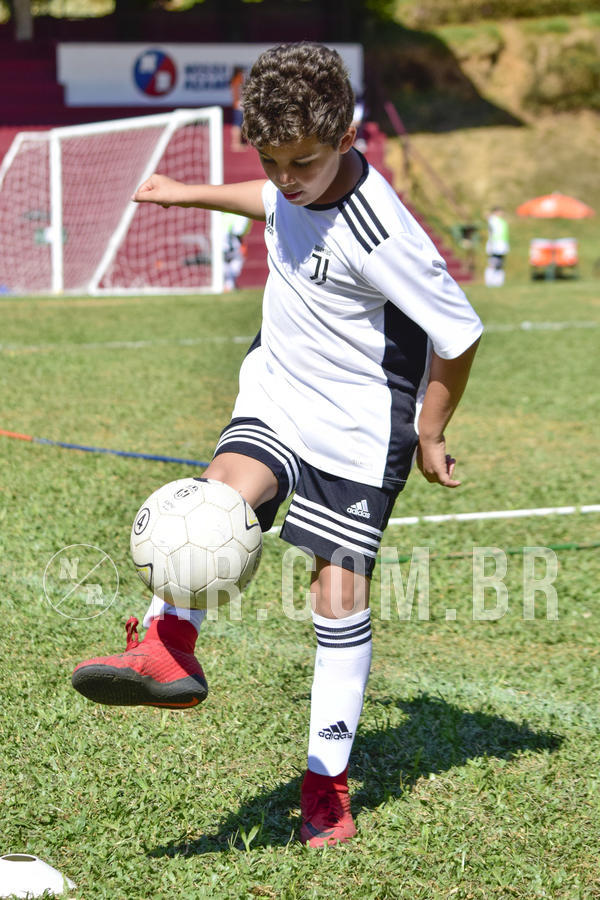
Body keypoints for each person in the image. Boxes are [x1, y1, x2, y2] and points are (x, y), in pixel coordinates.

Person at [72, 43, 482, 848]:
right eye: (273, 157)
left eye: (304, 160)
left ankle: (325, 788)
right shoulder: (293, 175)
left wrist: (431, 430)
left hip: (361, 422)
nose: (289, 175)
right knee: (219, 495)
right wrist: (184, 194)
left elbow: (459, 333)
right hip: (279, 386)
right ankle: (165, 646)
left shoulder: (381, 230)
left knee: (337, 593)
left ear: (347, 135)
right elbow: (271, 200)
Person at [222, 211, 252, 291]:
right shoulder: (241, 215)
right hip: (231, 244)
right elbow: (238, 231)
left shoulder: (223, 214)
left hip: (221, 244)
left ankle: (228, 285)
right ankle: (229, 285)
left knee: (226, 263)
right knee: (237, 259)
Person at [484, 206, 510, 287]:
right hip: (495, 245)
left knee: (500, 263)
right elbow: (487, 218)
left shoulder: (502, 221)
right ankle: (490, 281)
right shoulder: (493, 220)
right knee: (493, 262)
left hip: (502, 245)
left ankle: (498, 281)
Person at [229, 65, 245, 152]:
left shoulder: (234, 80)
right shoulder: (238, 81)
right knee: (237, 125)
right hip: (238, 105)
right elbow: (239, 94)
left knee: (237, 124)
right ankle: (236, 143)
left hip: (237, 104)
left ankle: (236, 143)